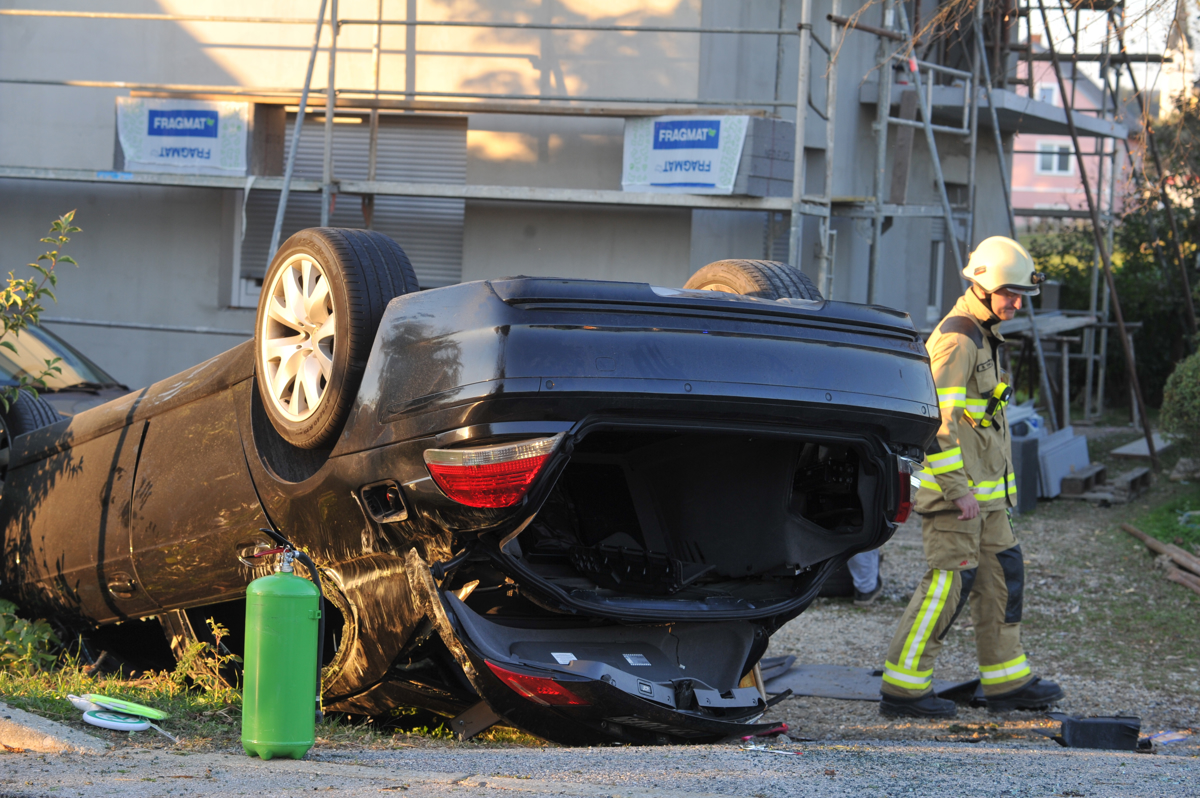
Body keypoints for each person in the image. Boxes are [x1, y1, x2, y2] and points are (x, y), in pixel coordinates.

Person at [879, 236, 1065, 719]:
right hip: (956, 498)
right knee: (947, 585)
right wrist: (959, 491)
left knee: (1004, 574)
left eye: (1023, 295)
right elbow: (935, 423)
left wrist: (991, 496)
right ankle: (904, 688)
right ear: (982, 286)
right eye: (1011, 294)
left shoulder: (985, 335)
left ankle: (1006, 681)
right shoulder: (958, 338)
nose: (1018, 304)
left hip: (987, 502)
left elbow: (981, 423)